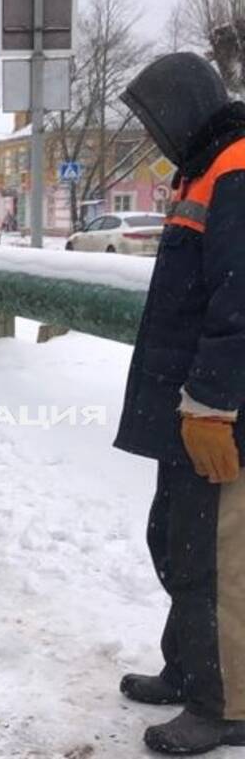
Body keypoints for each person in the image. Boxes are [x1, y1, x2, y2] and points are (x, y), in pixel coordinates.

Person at [114, 52, 245, 756]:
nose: (153, 133)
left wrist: (214, 405)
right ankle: (188, 666)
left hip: (218, 410)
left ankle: (223, 704)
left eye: (155, 118)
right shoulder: (205, 165)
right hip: (189, 405)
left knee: (213, 561)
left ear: (186, 107)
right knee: (175, 540)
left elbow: (240, 300)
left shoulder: (237, 168)